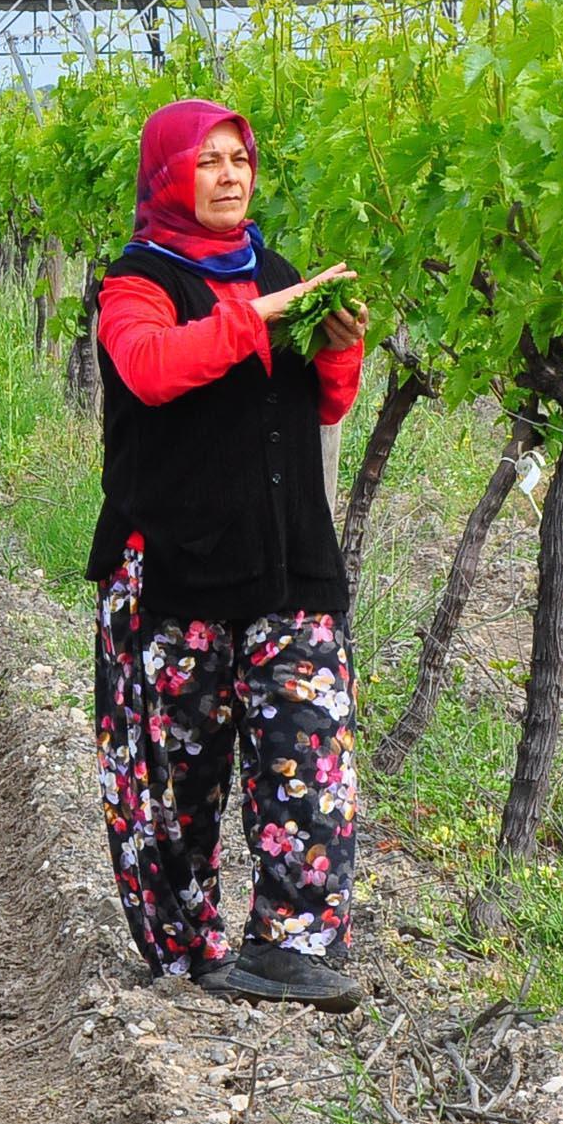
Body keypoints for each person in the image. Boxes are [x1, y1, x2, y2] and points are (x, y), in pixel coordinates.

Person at [88, 97, 370, 1011]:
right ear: (168, 175)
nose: (227, 176)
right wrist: (259, 316)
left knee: (310, 748)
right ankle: (190, 950)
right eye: (205, 161)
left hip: (287, 562)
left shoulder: (276, 272)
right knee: (177, 774)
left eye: (238, 159)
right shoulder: (136, 281)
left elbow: (320, 408)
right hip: (173, 567)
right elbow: (150, 366)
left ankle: (291, 944)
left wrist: (336, 345)